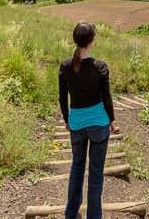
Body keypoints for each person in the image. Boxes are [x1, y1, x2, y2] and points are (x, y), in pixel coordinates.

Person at [59, 22, 119, 219]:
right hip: (99, 125)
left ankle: (71, 213)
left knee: (77, 166)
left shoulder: (66, 66)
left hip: (76, 123)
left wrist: (67, 120)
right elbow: (107, 97)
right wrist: (112, 121)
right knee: (95, 172)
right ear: (92, 41)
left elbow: (62, 97)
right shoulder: (100, 67)